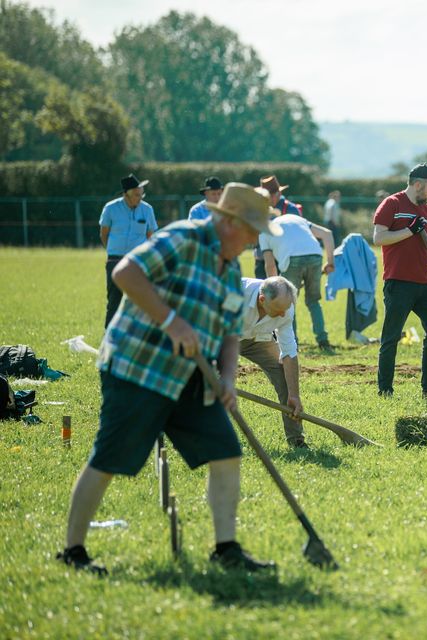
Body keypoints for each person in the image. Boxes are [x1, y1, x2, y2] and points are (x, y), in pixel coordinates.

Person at [59, 183, 282, 575]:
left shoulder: (231, 268)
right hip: (138, 368)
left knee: (226, 452)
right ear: (230, 223)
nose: (254, 241)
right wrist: (171, 321)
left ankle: (226, 548)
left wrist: (228, 377)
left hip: (192, 376)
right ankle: (73, 551)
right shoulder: (184, 238)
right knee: (110, 457)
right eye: (252, 231)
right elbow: (126, 272)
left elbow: (231, 330)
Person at [372, 163, 427, 398]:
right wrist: (410, 229)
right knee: (391, 336)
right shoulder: (392, 204)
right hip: (399, 282)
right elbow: (379, 237)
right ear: (418, 184)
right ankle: (385, 389)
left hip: (425, 283)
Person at [239, 276, 308, 448]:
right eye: (279, 310)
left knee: (284, 377)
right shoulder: (236, 293)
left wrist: (294, 395)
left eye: (286, 309)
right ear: (262, 300)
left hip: (258, 339)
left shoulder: (286, 309)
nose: (283, 314)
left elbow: (289, 353)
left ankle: (296, 439)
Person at [258, 208, 336, 352]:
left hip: (291, 260)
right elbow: (327, 234)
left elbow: (270, 264)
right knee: (313, 302)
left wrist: (273, 289)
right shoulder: (295, 218)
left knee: (288, 304)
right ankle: (323, 341)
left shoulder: (264, 232)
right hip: (315, 255)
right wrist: (330, 262)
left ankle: (292, 342)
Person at [99, 174, 158, 328]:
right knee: (114, 301)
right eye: (137, 195)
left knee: (140, 301)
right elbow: (104, 233)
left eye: (142, 194)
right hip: (114, 261)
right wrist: (113, 251)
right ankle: (109, 339)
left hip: (139, 262)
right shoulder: (110, 208)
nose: (140, 198)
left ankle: (138, 335)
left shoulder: (147, 210)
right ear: (126, 194)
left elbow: (151, 237)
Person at [254, 175, 303, 279]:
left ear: (279, 193)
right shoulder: (258, 209)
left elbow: (298, 234)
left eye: (271, 195)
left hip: (284, 259)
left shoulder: (291, 209)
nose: (269, 199)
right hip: (262, 259)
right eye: (266, 196)